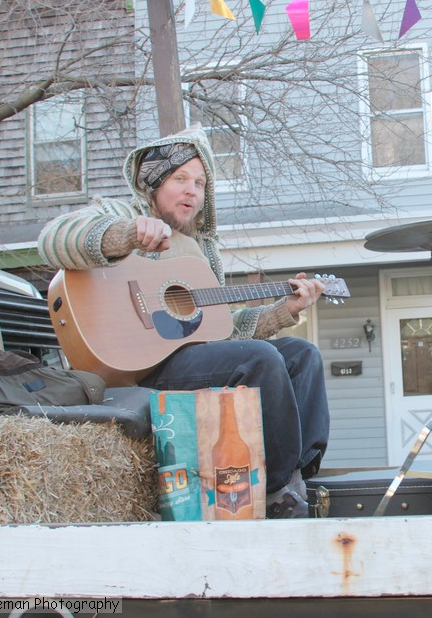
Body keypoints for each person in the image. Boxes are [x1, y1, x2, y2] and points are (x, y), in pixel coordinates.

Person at [38, 126, 330, 519]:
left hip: (187, 361)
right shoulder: (122, 214)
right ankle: (275, 491)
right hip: (136, 369)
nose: (192, 190)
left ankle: (300, 477)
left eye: (200, 182)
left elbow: (219, 330)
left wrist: (284, 310)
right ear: (154, 184)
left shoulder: (195, 251)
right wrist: (125, 235)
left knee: (300, 354)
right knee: (259, 359)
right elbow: (52, 238)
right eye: (180, 179)